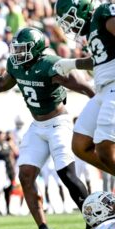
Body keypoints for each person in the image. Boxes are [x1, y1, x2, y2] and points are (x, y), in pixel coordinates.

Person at [0, 27, 94, 229]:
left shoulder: (49, 64)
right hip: (37, 125)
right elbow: (0, 83)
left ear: (36, 49)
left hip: (58, 123)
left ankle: (93, 222)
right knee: (25, 175)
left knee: (68, 176)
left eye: (23, 49)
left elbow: (83, 86)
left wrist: (100, 108)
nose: (17, 53)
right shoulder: (16, 64)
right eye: (16, 49)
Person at [53, 0, 115, 176]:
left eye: (70, 18)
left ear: (82, 7)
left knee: (105, 148)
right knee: (80, 146)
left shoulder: (103, 12)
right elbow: (99, 59)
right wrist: (70, 64)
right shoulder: (92, 28)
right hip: (103, 88)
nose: (69, 26)